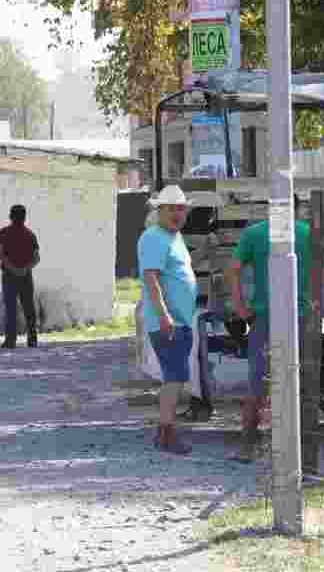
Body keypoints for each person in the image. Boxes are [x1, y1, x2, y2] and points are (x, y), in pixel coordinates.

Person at [225, 195, 324, 463]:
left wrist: (240, 305)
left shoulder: (254, 233)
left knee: (258, 382)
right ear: (297, 209)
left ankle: (248, 446)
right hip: (300, 319)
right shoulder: (308, 233)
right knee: (299, 381)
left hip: (266, 318)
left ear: (270, 208)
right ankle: (295, 449)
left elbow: (233, 270)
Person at [138, 185, 198, 455]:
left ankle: (165, 431)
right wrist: (164, 315)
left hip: (179, 321)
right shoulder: (154, 237)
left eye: (181, 209)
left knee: (175, 377)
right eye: (172, 208)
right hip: (169, 322)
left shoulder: (174, 237)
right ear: (159, 211)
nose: (177, 213)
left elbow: (176, 272)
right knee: (174, 378)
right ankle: (166, 433)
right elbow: (150, 278)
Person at [0, 204, 40, 349]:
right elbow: (36, 258)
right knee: (29, 308)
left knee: (11, 308)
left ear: (10, 216)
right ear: (24, 217)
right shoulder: (30, 234)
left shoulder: (3, 233)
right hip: (26, 276)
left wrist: (13, 269)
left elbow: (1, 254)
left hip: (9, 275)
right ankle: (32, 339)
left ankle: (10, 340)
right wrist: (24, 269)